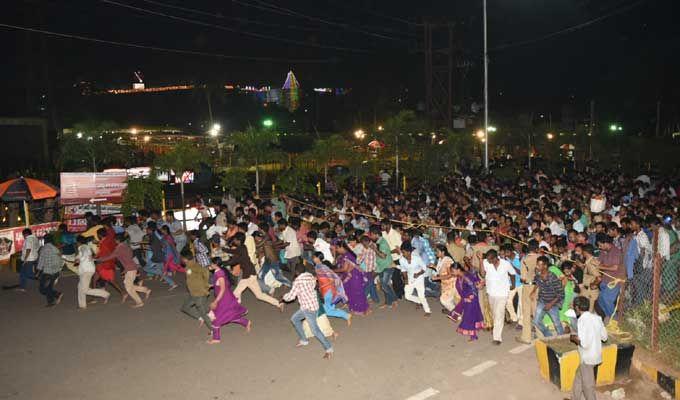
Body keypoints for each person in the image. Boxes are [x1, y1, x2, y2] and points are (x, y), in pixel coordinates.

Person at [225, 232, 284, 310]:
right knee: (259, 295)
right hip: (251, 274)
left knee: (235, 293)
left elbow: (234, 260)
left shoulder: (241, 249)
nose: (234, 241)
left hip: (248, 276)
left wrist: (222, 263)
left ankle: (234, 310)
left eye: (235, 239)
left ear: (238, 240)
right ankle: (278, 303)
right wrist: (225, 250)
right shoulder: (243, 247)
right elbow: (234, 252)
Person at [283, 271, 334, 359]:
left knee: (315, 331)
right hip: (312, 304)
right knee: (294, 319)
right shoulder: (309, 275)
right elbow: (313, 284)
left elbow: (290, 297)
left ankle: (329, 348)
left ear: (296, 273)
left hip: (308, 309)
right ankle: (304, 340)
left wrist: (284, 297)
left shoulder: (297, 282)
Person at [96, 233, 151, 308]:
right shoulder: (126, 245)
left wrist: (98, 259)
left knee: (128, 288)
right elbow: (129, 256)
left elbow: (110, 257)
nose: (114, 241)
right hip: (132, 267)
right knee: (128, 284)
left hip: (130, 269)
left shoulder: (119, 248)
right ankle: (145, 290)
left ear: (117, 240)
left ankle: (139, 302)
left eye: (115, 240)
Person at [570, 296, 608, 400]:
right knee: (578, 377)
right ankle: (574, 397)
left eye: (574, 307)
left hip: (587, 358)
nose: (574, 309)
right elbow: (604, 337)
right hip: (596, 354)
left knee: (588, 387)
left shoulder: (581, 321)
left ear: (577, 308)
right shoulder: (597, 317)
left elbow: (584, 344)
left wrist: (574, 338)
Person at [207, 258, 251, 344]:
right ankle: (246, 322)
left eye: (211, 263)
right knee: (229, 316)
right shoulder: (218, 271)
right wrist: (212, 285)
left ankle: (216, 338)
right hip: (224, 298)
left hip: (224, 299)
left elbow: (222, 289)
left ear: (215, 265)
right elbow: (220, 284)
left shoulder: (219, 273)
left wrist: (215, 301)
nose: (210, 265)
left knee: (216, 318)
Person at [481, 249, 516, 344]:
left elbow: (512, 273)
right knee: (494, 313)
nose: (489, 262)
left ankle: (497, 337)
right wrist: (481, 260)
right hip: (491, 293)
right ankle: (496, 328)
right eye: (487, 260)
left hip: (502, 293)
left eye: (490, 260)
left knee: (499, 314)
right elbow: (482, 274)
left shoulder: (505, 264)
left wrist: (513, 285)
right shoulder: (485, 262)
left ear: (496, 258)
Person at [449, 263, 485, 341]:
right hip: (467, 299)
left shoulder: (466, 277)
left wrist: (470, 296)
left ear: (458, 270)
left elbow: (474, 286)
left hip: (470, 300)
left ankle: (473, 335)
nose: (451, 273)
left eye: (452, 271)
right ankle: (473, 334)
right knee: (471, 315)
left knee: (469, 316)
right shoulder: (462, 276)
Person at [531, 256, 565, 337]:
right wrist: (533, 291)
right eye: (537, 264)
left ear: (545, 266)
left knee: (557, 324)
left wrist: (550, 304)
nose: (537, 266)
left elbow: (561, 293)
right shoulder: (538, 274)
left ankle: (562, 339)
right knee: (536, 321)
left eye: (539, 265)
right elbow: (537, 282)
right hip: (542, 301)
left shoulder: (552, 277)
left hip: (553, 302)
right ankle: (548, 335)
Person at [313, 252, 351, 325]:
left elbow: (333, 279)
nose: (313, 258)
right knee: (327, 307)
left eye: (314, 257)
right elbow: (322, 277)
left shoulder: (322, 267)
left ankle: (346, 315)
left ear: (318, 258)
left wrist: (322, 286)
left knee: (326, 310)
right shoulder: (317, 266)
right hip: (325, 290)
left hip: (328, 290)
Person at [334, 240, 369, 315]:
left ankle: (363, 309)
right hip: (350, 276)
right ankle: (355, 308)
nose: (336, 250)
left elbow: (344, 269)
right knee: (350, 292)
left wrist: (333, 270)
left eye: (337, 248)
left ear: (341, 247)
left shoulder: (347, 255)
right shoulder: (344, 255)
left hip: (354, 276)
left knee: (357, 293)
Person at [180, 249, 212, 331]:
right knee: (185, 307)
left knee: (203, 313)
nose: (180, 259)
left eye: (181, 258)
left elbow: (206, 272)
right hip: (193, 293)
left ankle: (214, 330)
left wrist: (205, 285)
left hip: (199, 294)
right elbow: (205, 272)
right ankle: (202, 317)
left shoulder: (192, 266)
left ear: (184, 259)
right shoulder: (191, 265)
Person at [75, 235, 110, 309]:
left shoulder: (83, 247)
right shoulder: (86, 247)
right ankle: (82, 305)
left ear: (79, 242)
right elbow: (81, 256)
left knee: (85, 289)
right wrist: (76, 259)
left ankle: (105, 294)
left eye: (76, 242)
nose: (76, 243)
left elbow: (84, 255)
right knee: (80, 287)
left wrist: (79, 259)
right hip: (86, 270)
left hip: (86, 271)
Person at [398, 242, 431, 317]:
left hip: (419, 278)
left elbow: (424, 268)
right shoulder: (401, 260)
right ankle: (420, 301)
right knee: (407, 296)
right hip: (410, 278)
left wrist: (418, 274)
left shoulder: (417, 258)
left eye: (404, 252)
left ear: (409, 252)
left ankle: (428, 310)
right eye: (402, 252)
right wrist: (406, 279)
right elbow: (403, 270)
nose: (402, 254)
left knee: (421, 295)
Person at [370, 225, 398, 309]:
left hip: (387, 266)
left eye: (371, 235)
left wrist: (374, 249)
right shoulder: (379, 242)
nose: (371, 237)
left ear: (375, 234)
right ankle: (388, 303)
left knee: (385, 285)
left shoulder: (382, 243)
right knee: (384, 285)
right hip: (382, 266)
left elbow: (383, 256)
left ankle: (394, 299)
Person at [36, 235, 64, 307]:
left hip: (48, 272)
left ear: (45, 240)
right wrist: (59, 269)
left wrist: (38, 272)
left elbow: (41, 261)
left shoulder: (44, 249)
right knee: (48, 287)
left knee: (42, 289)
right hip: (56, 271)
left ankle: (57, 294)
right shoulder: (55, 248)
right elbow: (61, 259)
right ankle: (51, 301)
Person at [432, 244, 457, 313]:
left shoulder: (448, 260)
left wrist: (437, 278)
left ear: (442, 252)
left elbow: (450, 275)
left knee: (444, 300)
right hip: (445, 283)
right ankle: (452, 310)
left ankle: (456, 313)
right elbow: (440, 269)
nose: (435, 253)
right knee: (448, 299)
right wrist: (433, 266)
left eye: (437, 251)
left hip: (451, 283)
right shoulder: (440, 259)